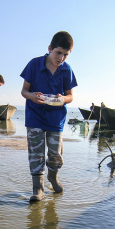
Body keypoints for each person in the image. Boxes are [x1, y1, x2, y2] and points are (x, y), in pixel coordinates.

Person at [20, 31, 78, 202]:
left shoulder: (67, 70)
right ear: (50, 48)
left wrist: (62, 99)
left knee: (55, 154)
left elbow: (70, 96)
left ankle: (53, 177)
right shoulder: (34, 64)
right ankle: (38, 188)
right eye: (58, 53)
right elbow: (24, 91)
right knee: (36, 153)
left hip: (56, 118)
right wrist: (32, 97)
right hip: (35, 116)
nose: (61, 58)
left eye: (66, 55)